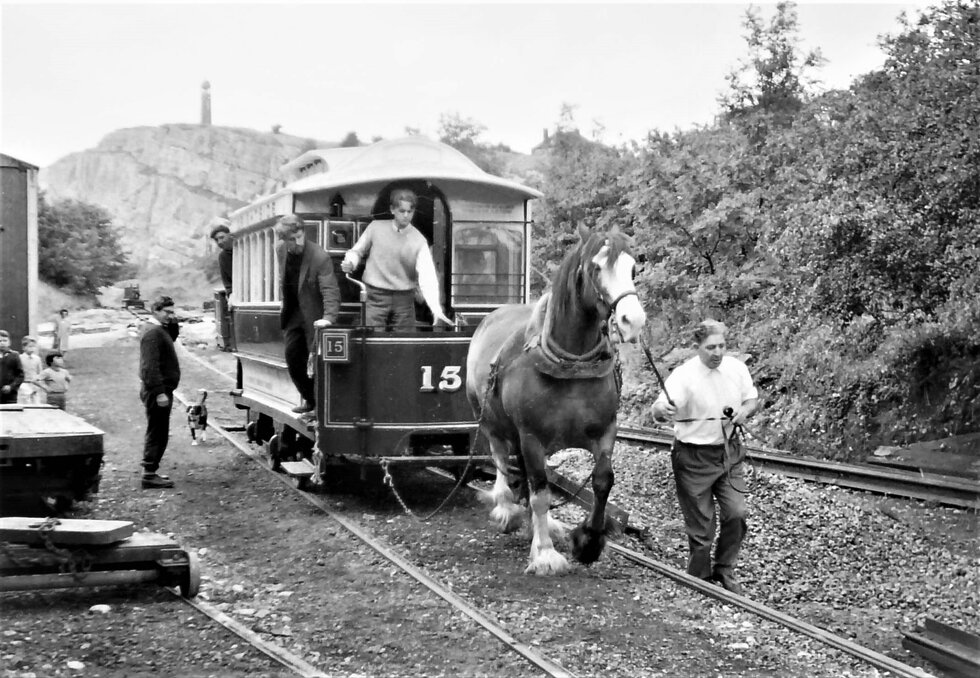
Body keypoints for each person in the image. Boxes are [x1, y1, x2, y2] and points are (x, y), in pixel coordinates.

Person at [651, 319, 759, 595]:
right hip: (692, 457)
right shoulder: (684, 376)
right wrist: (664, 410)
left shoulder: (737, 369)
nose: (717, 352)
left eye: (722, 346)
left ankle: (724, 568)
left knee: (737, 513)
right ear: (696, 347)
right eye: (711, 347)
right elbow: (659, 408)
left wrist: (745, 412)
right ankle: (700, 579)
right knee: (702, 527)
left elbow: (751, 399)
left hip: (728, 452)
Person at [340, 188, 453, 331]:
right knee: (370, 339)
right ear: (392, 210)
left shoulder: (419, 241)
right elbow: (357, 251)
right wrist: (350, 262)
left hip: (404, 300)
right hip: (375, 297)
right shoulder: (375, 228)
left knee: (404, 343)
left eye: (410, 212)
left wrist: (436, 309)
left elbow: (427, 277)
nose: (406, 215)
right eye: (402, 211)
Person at [275, 214, 341, 415]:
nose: (298, 242)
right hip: (293, 313)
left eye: (300, 236)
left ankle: (321, 407)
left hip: (314, 316)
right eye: (293, 239)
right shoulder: (280, 250)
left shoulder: (319, 256)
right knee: (293, 358)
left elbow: (331, 290)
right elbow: (283, 278)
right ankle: (310, 400)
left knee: (316, 363)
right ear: (284, 240)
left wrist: (328, 318)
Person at [139, 296, 181, 489]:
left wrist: (173, 322)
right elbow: (149, 367)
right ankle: (148, 473)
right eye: (167, 312)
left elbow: (171, 337)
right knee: (157, 431)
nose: (171, 316)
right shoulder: (152, 333)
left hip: (161, 389)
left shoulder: (159, 330)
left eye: (173, 312)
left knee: (160, 430)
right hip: (158, 391)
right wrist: (159, 392)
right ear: (155, 311)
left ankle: (151, 470)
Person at [209, 218, 234, 298]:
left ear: (230, 235)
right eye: (216, 240)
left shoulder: (243, 249)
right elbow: (227, 283)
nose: (219, 242)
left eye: (222, 237)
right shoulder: (223, 257)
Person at [0, 330, 25, 405]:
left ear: (9, 342)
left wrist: (11, 386)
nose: (2, 343)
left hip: (10, 394)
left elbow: (20, 375)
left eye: (5, 340)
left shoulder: (14, 355)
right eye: (0, 341)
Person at [18, 336, 44, 404]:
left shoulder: (37, 359)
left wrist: (39, 383)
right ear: (24, 348)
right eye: (30, 346)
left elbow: (40, 372)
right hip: (24, 384)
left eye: (33, 346)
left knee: (36, 403)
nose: (32, 348)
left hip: (34, 384)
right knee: (25, 402)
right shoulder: (20, 358)